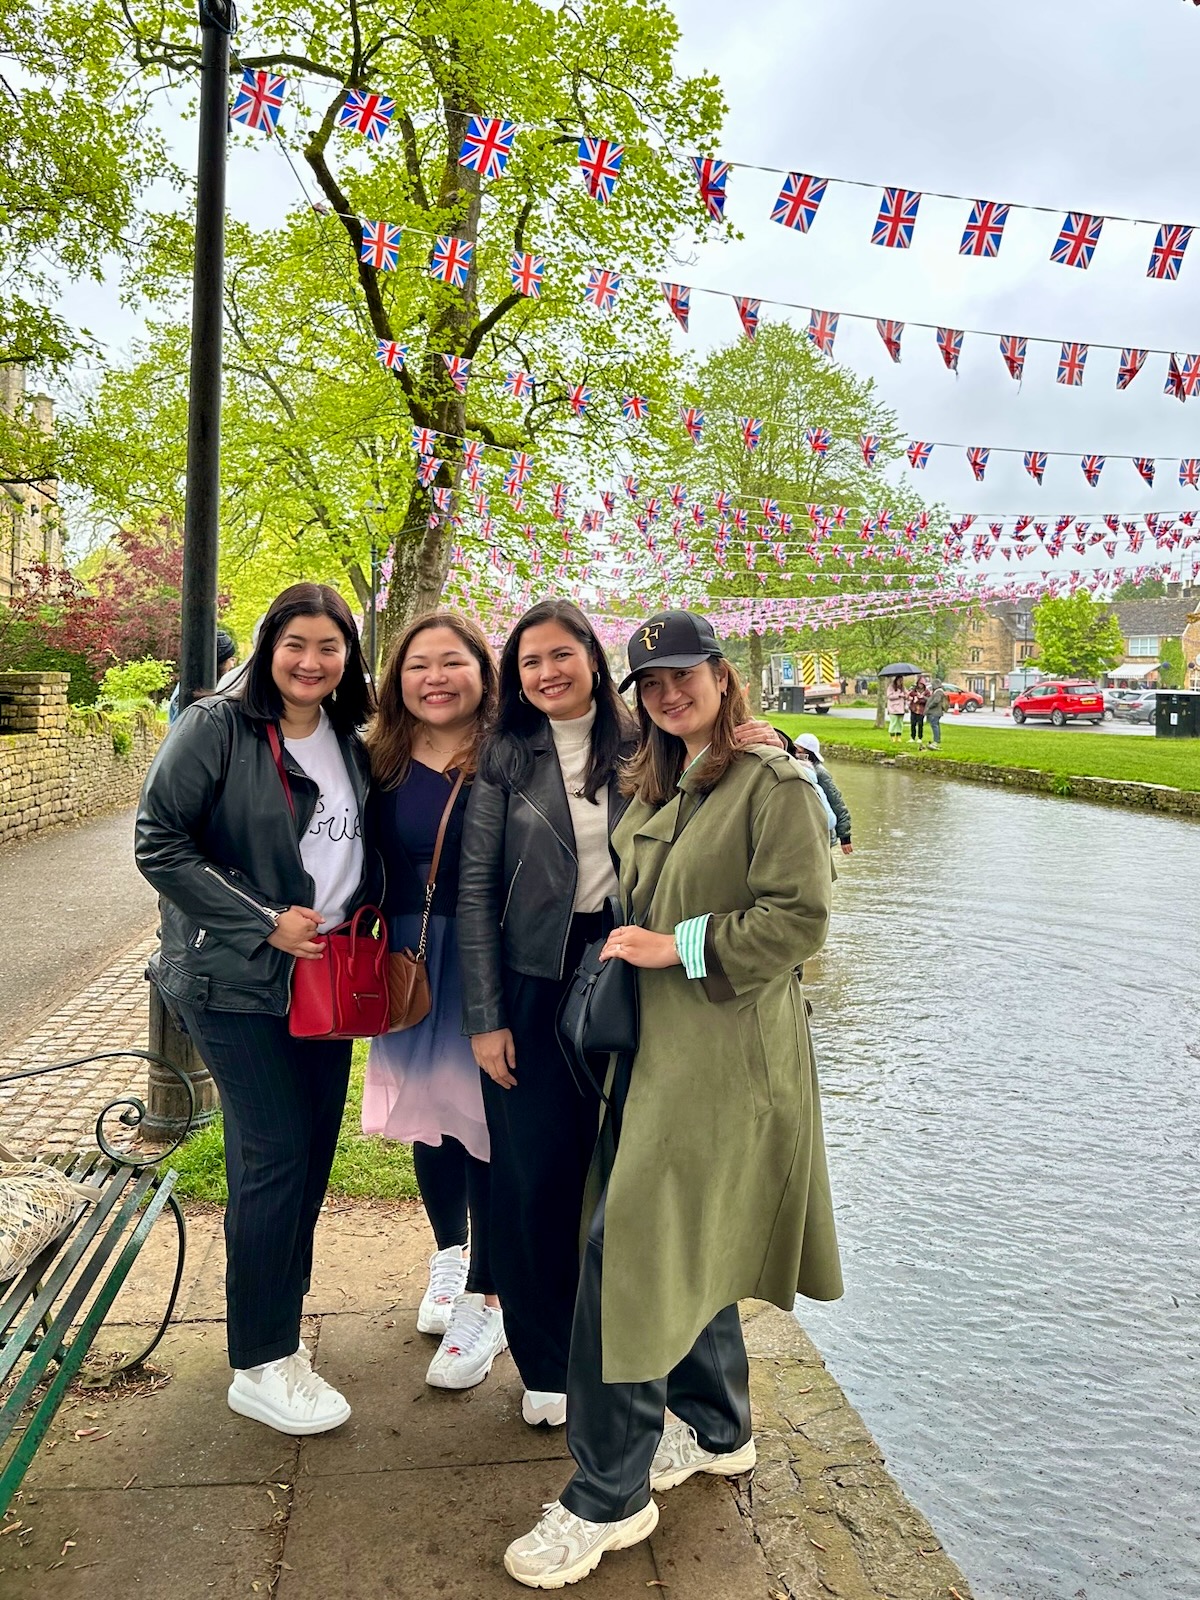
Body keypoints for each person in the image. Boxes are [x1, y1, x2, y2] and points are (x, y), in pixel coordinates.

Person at [504, 610, 842, 1589]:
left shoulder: (770, 780)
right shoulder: (658, 776)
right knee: (676, 1234)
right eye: (649, 682)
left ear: (721, 676)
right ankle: (718, 1425)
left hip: (731, 1055)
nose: (667, 693)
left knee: (626, 1247)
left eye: (683, 675)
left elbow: (802, 916)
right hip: (657, 1052)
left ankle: (608, 1494)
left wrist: (677, 946)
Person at [458, 600, 787, 1431]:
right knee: (534, 1178)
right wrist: (486, 1015)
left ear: (594, 664)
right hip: (534, 977)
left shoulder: (647, 741)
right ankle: (547, 1367)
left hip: (637, 963)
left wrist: (779, 745)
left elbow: (751, 795)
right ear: (515, 675)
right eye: (529, 661)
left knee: (626, 1178)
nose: (546, 674)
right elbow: (473, 890)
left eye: (562, 655)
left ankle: (636, 1362)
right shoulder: (503, 755)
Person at [135, 583, 375, 1437]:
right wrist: (262, 919)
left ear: (349, 656)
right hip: (233, 980)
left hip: (325, 981)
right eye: (296, 644)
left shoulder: (351, 737)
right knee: (273, 1154)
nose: (312, 662)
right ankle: (260, 1362)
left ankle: (278, 1327)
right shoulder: (217, 726)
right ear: (271, 646)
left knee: (307, 1156)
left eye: (330, 647)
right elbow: (158, 841)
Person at [361, 612, 507, 1391]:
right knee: (433, 1118)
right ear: (398, 677)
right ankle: (449, 1256)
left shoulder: (514, 749)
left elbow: (618, 745)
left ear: (484, 673)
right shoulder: (375, 757)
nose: (436, 678)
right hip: (408, 960)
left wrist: (755, 734)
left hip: (490, 956)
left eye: (454, 662)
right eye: (419, 664)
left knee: (486, 1118)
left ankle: (490, 1293)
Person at [795, 733, 853, 853]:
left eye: (797, 749)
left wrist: (845, 837)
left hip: (824, 832)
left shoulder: (820, 773)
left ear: (807, 753)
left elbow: (837, 802)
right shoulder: (795, 767)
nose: (794, 752)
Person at [168, 628, 237, 722]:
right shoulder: (187, 696)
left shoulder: (189, 686)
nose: (233, 665)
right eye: (231, 660)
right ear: (219, 663)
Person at [924, 679, 949, 748]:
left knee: (935, 726)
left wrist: (929, 707)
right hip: (936, 712)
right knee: (935, 725)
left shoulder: (938, 692)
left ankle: (936, 740)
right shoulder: (937, 691)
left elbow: (936, 701)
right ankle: (936, 740)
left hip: (935, 712)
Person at [885, 675, 907, 743]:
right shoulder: (891, 687)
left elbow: (907, 694)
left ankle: (898, 736)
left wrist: (906, 696)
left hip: (901, 708)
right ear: (896, 680)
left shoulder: (903, 688)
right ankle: (892, 736)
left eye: (902, 680)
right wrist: (898, 695)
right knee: (894, 723)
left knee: (900, 723)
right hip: (893, 708)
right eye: (899, 680)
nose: (900, 682)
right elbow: (889, 696)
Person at [908, 676, 929, 746]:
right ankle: (912, 737)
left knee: (920, 724)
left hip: (921, 710)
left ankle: (920, 737)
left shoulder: (926, 692)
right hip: (913, 709)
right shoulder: (914, 690)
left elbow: (928, 700)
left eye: (922, 684)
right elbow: (910, 695)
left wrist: (921, 699)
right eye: (919, 684)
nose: (920, 685)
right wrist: (913, 698)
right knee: (913, 724)